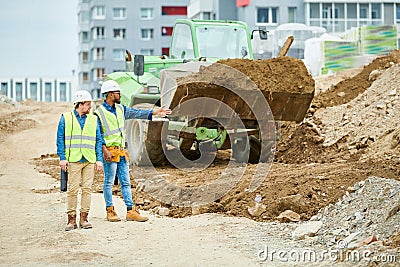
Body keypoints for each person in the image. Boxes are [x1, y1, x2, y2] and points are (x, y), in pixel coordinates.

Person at [95, 80, 171, 222]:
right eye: (117, 93)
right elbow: (98, 135)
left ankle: (130, 211)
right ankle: (110, 211)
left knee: (125, 182)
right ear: (110, 94)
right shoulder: (99, 113)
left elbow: (137, 112)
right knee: (109, 183)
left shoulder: (121, 109)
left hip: (122, 152)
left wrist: (155, 111)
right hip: (110, 153)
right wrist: (104, 151)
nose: (119, 95)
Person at [56, 90, 103, 231]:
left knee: (87, 189)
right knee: (72, 190)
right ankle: (71, 220)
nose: (90, 107)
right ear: (80, 104)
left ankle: (84, 218)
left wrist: (99, 160)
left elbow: (99, 140)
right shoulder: (66, 118)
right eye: (88, 104)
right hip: (74, 159)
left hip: (89, 159)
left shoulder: (93, 119)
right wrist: (62, 158)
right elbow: (60, 139)